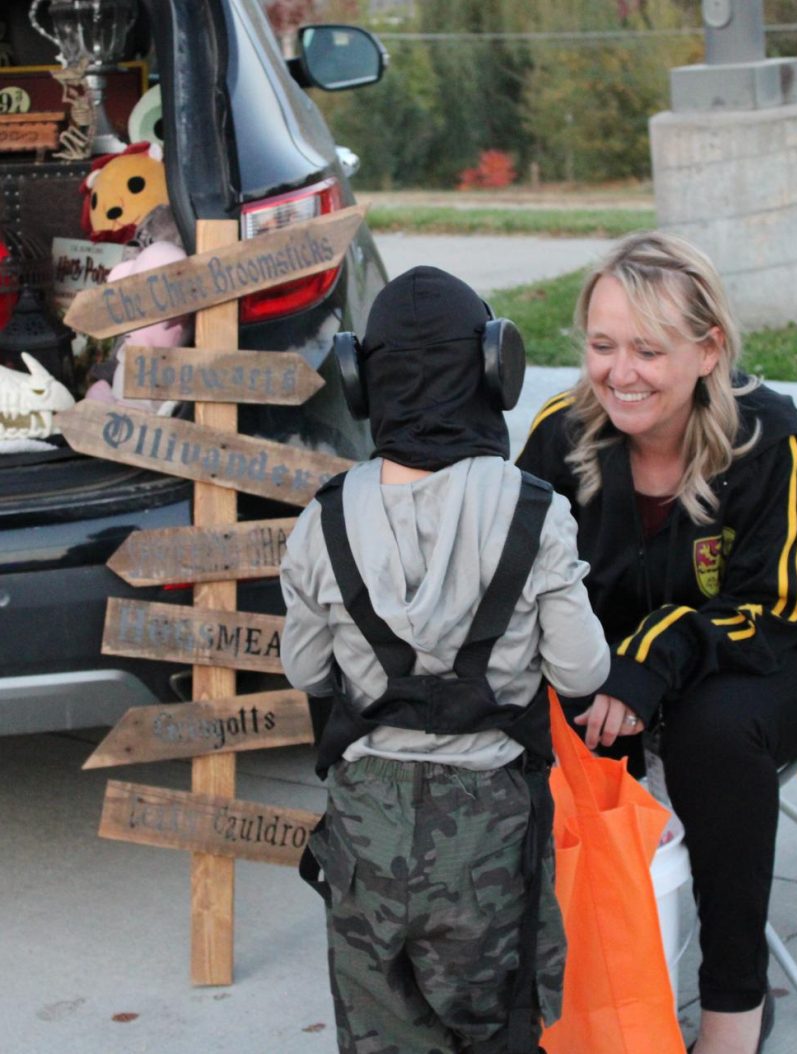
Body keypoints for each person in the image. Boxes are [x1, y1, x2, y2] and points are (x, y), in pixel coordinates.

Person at [517, 232, 797, 1054]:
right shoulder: (565, 434)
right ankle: (539, 982)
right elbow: (513, 583)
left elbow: (780, 605)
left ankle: (734, 1011)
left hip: (771, 657)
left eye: (647, 349)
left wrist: (652, 663)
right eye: (602, 346)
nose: (619, 372)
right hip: (610, 675)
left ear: (707, 351)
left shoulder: (770, 438)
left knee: (715, 727)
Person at [280, 266, 610, 1054]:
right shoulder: (536, 513)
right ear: (495, 369)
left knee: (383, 1030)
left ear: (363, 383)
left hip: (366, 819)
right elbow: (583, 674)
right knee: (496, 1026)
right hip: (489, 822)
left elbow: (304, 673)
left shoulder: (321, 522)